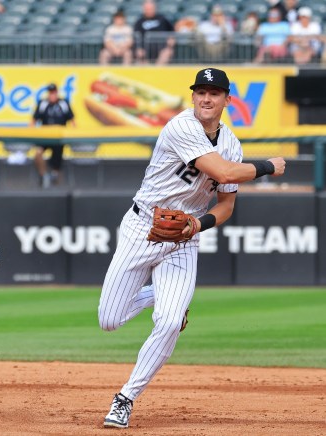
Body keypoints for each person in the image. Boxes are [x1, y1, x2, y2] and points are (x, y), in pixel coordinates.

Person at [98, 68, 286, 429]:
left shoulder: (231, 144)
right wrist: (268, 166)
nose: (205, 98)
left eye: (214, 93)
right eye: (200, 91)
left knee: (168, 323)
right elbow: (226, 173)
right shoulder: (181, 126)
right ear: (193, 96)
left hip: (185, 234)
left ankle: (125, 398)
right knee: (110, 320)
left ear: (227, 100)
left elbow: (226, 205)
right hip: (143, 226)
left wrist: (199, 224)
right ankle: (164, 296)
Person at [29, 83, 76, 188]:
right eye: (50, 93)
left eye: (54, 92)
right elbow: (33, 120)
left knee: (57, 163)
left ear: (57, 92)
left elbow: (72, 120)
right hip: (45, 137)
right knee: (38, 153)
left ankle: (55, 177)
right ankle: (44, 175)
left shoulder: (63, 103)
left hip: (59, 138)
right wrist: (32, 132)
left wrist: (72, 134)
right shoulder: (43, 103)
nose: (52, 95)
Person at [133, 0, 175, 65]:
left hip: (162, 48)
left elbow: (172, 30)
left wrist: (171, 38)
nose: (149, 10)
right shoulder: (139, 21)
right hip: (145, 50)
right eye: (147, 9)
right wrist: (138, 48)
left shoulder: (162, 19)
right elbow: (136, 36)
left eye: (151, 8)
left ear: (155, 8)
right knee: (139, 56)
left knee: (167, 52)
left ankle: (158, 71)